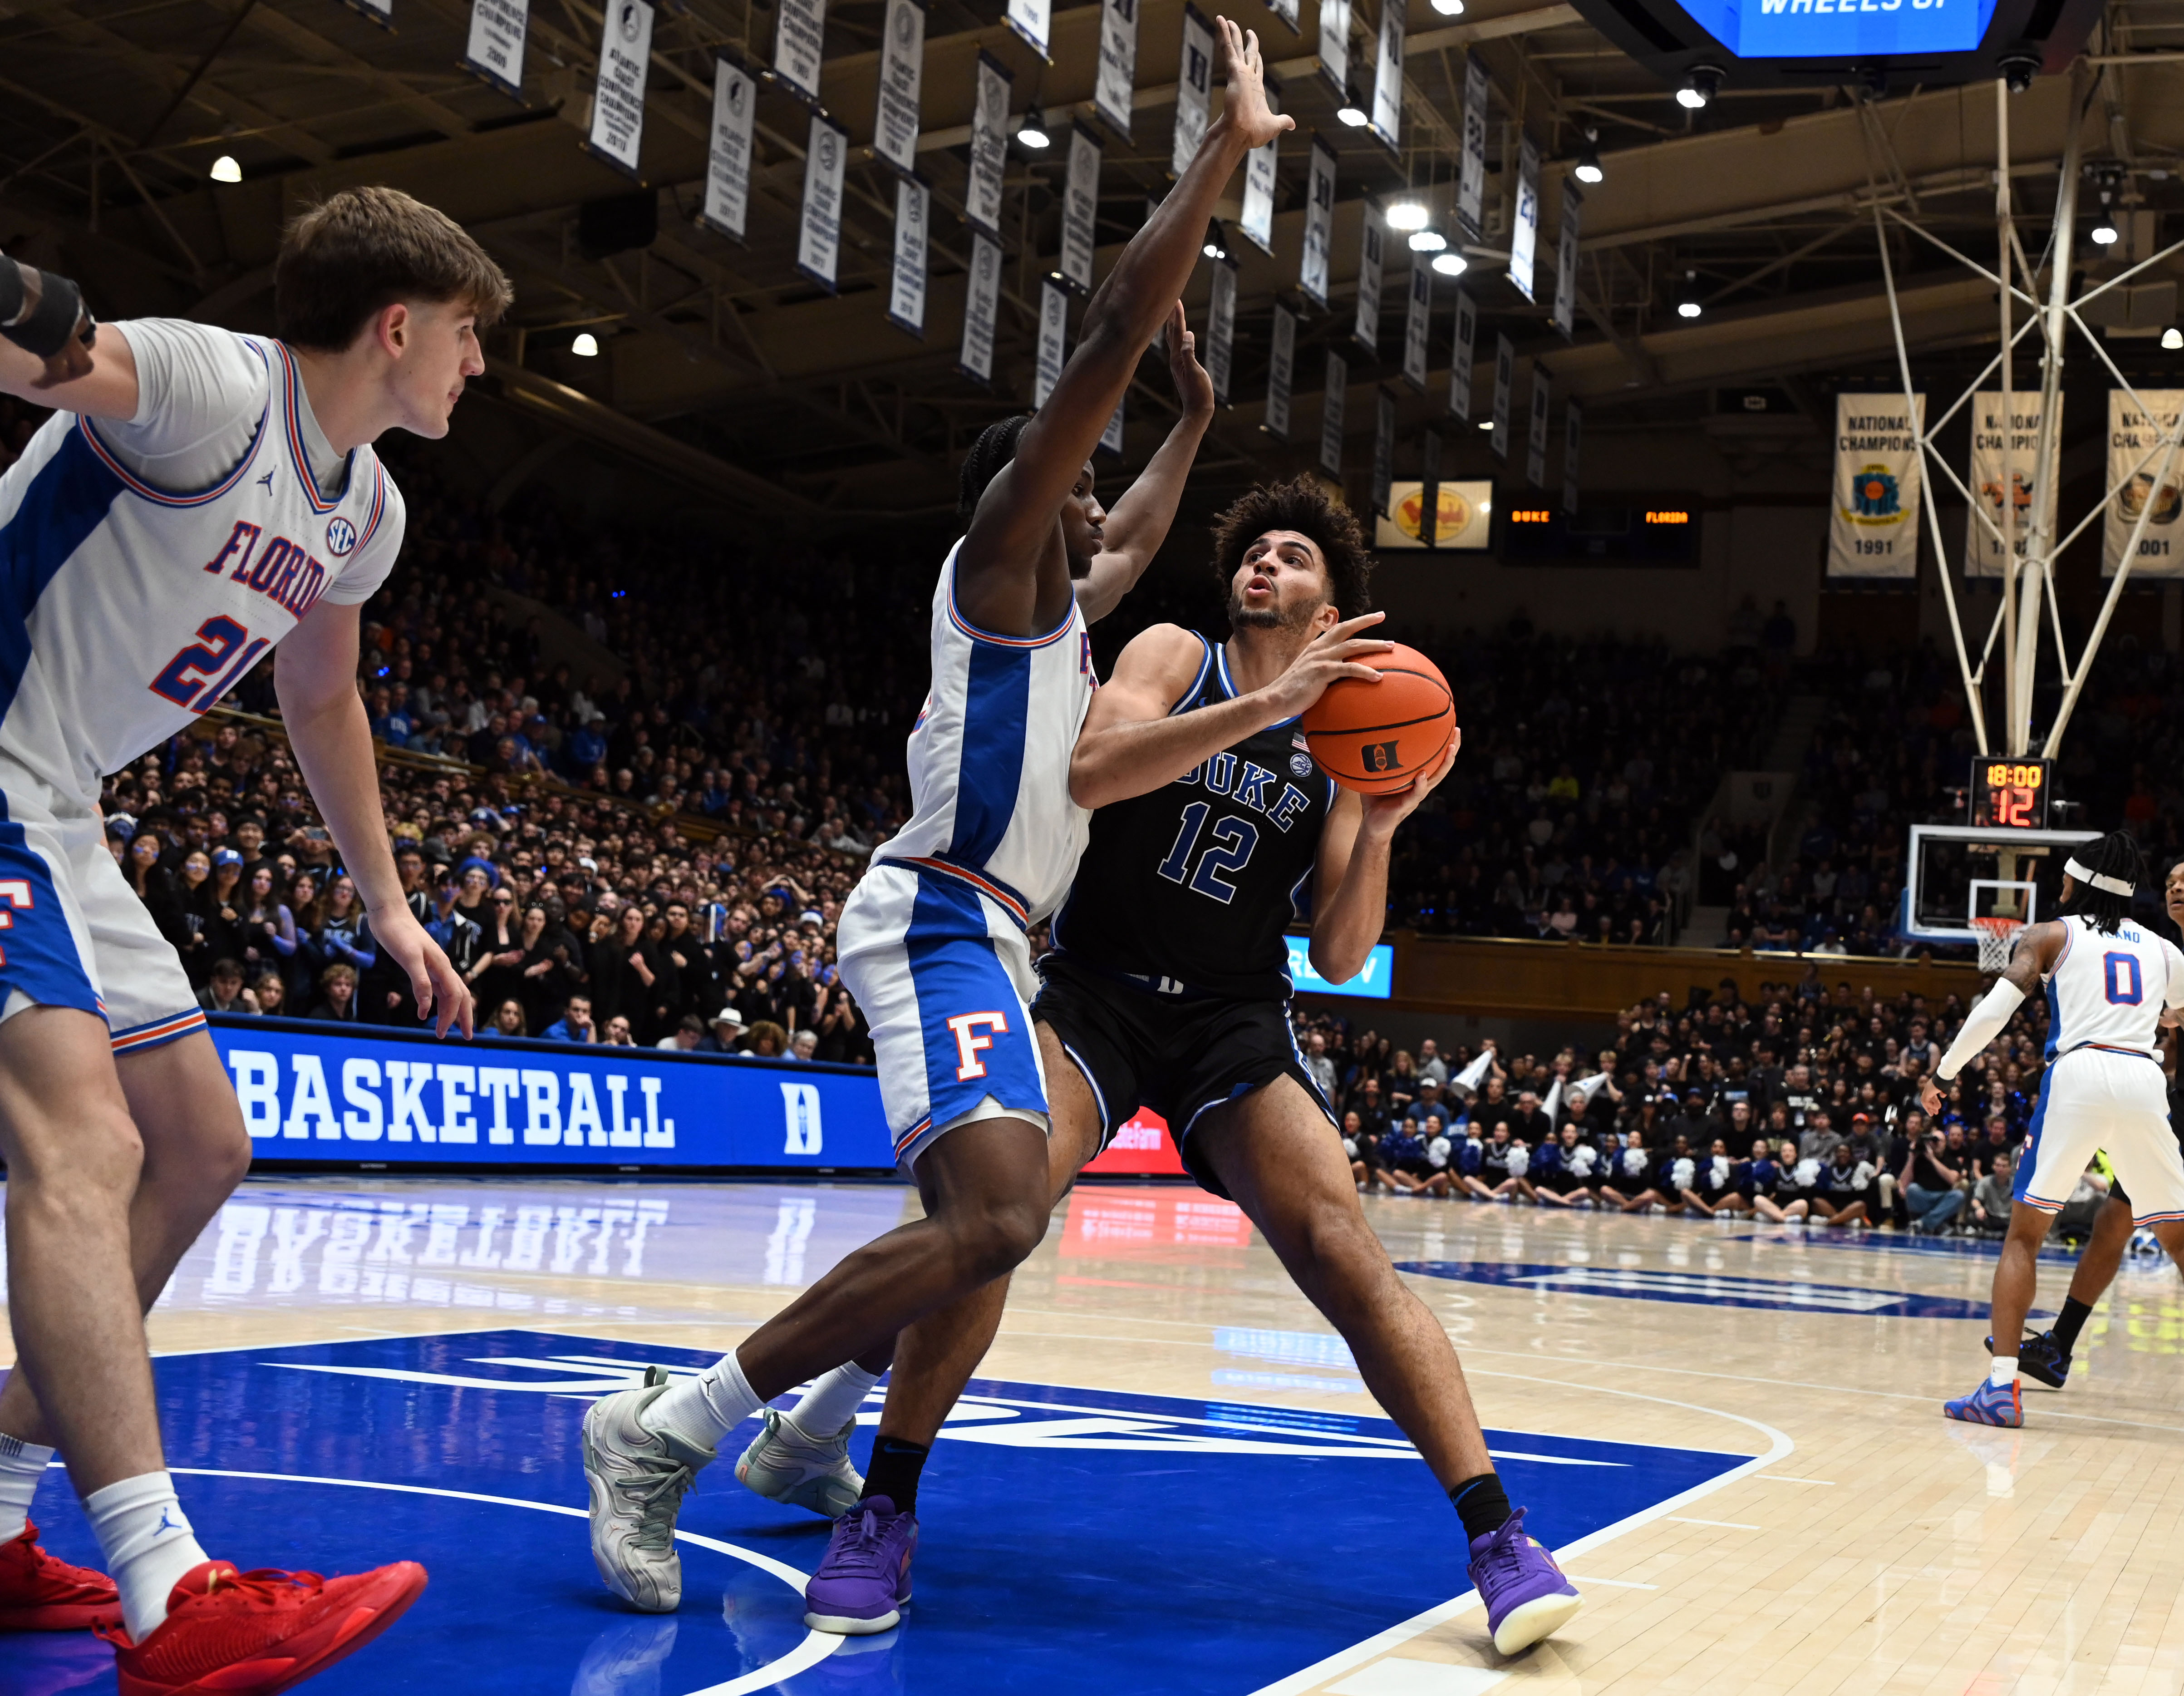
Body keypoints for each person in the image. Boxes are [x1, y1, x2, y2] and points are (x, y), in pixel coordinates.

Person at [580, 20, 1279, 1640]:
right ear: (1029, 496)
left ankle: (811, 1431)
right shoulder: (1000, 563)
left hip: (997, 936)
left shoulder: (1060, 621)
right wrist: (1224, 150)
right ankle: (671, 1426)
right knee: (996, 1215)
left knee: (972, 1220)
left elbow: (1142, 517)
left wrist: (1188, 425)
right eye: (1084, 480)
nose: (1105, 509)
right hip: (943, 911)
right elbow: (1105, 329)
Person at [734, 472, 1579, 1655]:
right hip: (1096, 992)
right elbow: (1092, 771)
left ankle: (1497, 1537)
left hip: (1233, 1015)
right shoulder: (1178, 654)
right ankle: (884, 1508)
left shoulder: (1337, 737)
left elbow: (1338, 952)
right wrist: (1265, 702)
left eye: (1293, 558)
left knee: (1338, 1243)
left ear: (1332, 605)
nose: (1265, 565)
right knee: (1000, 1209)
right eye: (1255, 550)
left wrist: (1379, 825)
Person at [0, 186, 485, 1685]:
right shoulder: (217, 387)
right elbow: (51, 357)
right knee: (85, 1149)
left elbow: (321, 697)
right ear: (397, 325)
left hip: (54, 797)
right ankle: (168, 1586)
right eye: (472, 336)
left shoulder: (366, 512)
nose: (480, 367)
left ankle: (7, 1511)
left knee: (203, 1142)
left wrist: (390, 904)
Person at [1928, 832, 2184, 1426]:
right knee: (2177, 1238)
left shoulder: (2050, 934)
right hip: (2145, 1080)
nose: (2058, 887)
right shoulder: (2167, 952)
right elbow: (2177, 1016)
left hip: (2081, 1072)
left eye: (2065, 879)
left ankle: (1999, 1390)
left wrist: (1943, 1073)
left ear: (2082, 883)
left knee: (2025, 1235)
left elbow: (1995, 1009)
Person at [1986, 853, 2184, 1388]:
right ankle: (2059, 1345)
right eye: (2170, 882)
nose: (2177, 889)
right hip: (2157, 1096)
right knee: (2116, 1222)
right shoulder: (2161, 948)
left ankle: (2032, 1363)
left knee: (2163, 1231)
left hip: (2136, 1091)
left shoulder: (2152, 948)